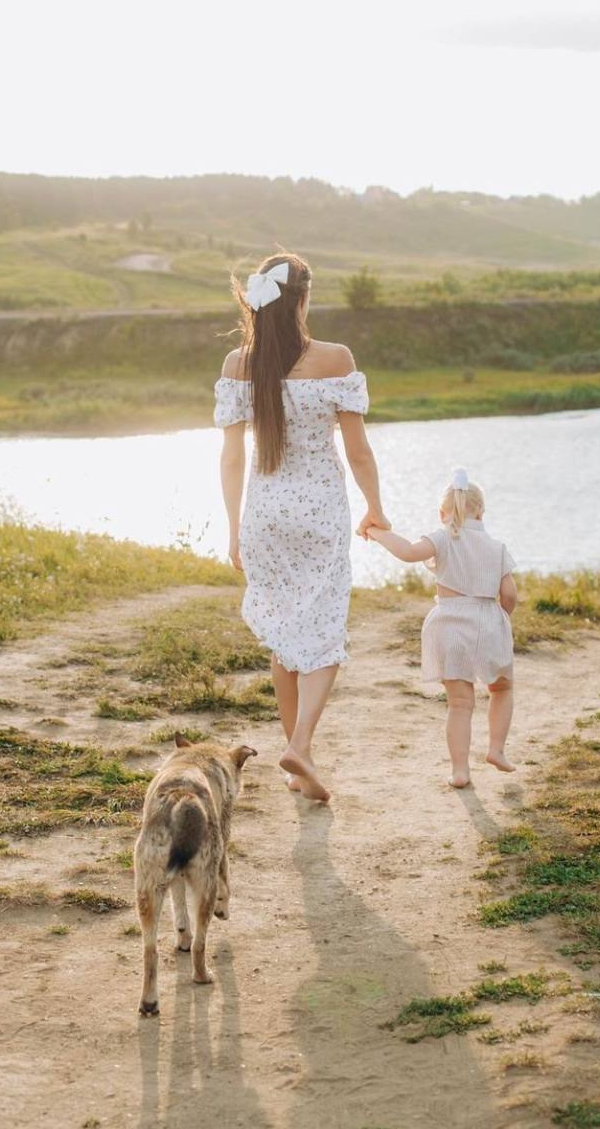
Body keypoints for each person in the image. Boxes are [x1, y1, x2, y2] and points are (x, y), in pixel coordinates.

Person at [214, 253, 388, 802]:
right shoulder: (335, 360)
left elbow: (230, 458)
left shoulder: (238, 366)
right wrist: (376, 507)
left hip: (264, 517)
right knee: (325, 634)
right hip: (318, 515)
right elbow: (357, 452)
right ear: (305, 298)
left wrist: (234, 529)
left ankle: (295, 765)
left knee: (287, 636)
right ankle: (303, 747)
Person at [366, 468, 517, 788]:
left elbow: (407, 552)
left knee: (460, 703)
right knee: (501, 688)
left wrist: (377, 533)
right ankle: (496, 749)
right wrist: (502, 618)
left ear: (442, 513)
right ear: (482, 511)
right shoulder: (498, 547)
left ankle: (460, 771)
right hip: (488, 619)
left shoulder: (442, 537)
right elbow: (509, 595)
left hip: (450, 623)